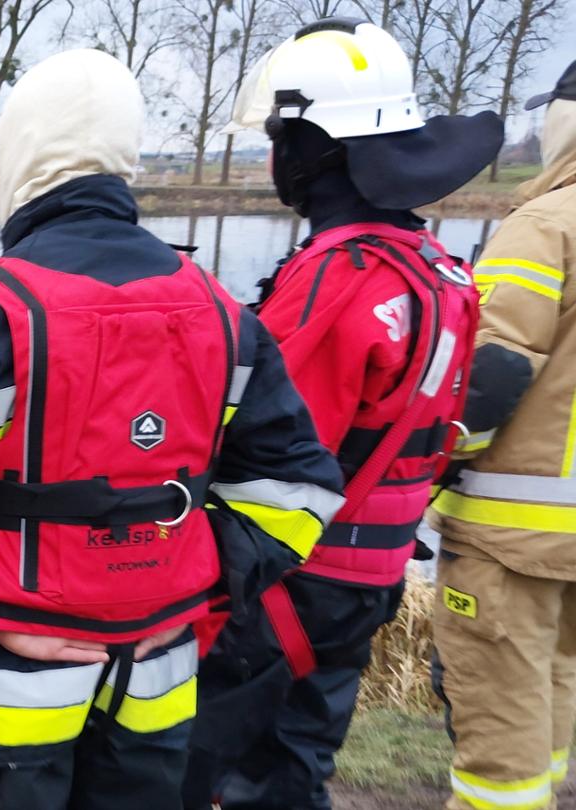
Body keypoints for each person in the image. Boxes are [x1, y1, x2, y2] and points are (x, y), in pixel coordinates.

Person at [0, 50, 345, 809]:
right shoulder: (222, 316)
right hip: (151, 704)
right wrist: (184, 581)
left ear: (15, 161)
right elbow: (300, 493)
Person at [180, 19, 497, 810]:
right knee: (297, 761)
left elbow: (275, 446)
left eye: (281, 137)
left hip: (292, 576)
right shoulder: (440, 273)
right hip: (373, 572)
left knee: (211, 774)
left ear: (316, 146)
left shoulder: (339, 275)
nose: (271, 157)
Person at [429, 57, 576, 810]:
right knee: (555, 690)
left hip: (511, 534)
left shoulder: (546, 225)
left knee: (500, 742)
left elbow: (493, 373)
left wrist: (431, 462)